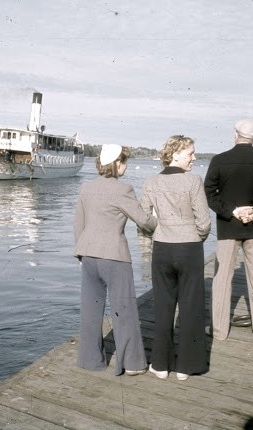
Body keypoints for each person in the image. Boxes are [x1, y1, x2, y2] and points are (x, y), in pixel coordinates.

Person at [74, 144, 158, 376]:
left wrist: (80, 253)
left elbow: (78, 224)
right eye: (124, 162)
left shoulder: (86, 188)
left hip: (88, 256)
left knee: (90, 311)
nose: (126, 167)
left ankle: (90, 361)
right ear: (117, 164)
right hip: (115, 257)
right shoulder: (123, 189)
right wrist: (158, 222)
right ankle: (131, 364)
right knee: (124, 310)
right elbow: (143, 221)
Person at [204, 118, 253, 344]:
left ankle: (219, 331)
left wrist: (232, 211)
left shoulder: (219, 160)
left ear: (235, 134)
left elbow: (210, 194)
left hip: (228, 228)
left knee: (221, 280)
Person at [140, 135, 211, 381]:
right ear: (177, 154)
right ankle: (186, 367)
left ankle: (160, 365)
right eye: (191, 153)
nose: (194, 158)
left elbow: (144, 218)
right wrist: (195, 236)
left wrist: (160, 230)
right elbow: (204, 222)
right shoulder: (193, 181)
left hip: (162, 248)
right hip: (189, 247)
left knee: (163, 306)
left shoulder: (151, 181)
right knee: (191, 308)